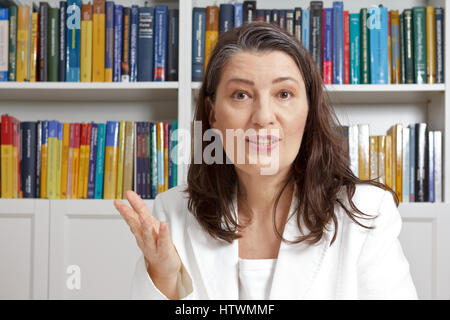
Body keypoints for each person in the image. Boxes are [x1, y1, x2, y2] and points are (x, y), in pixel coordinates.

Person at [113, 22, 418, 300]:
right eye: (241, 95)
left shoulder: (366, 212)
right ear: (213, 114)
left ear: (309, 110)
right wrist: (165, 276)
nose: (263, 117)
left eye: (284, 93)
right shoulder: (174, 213)